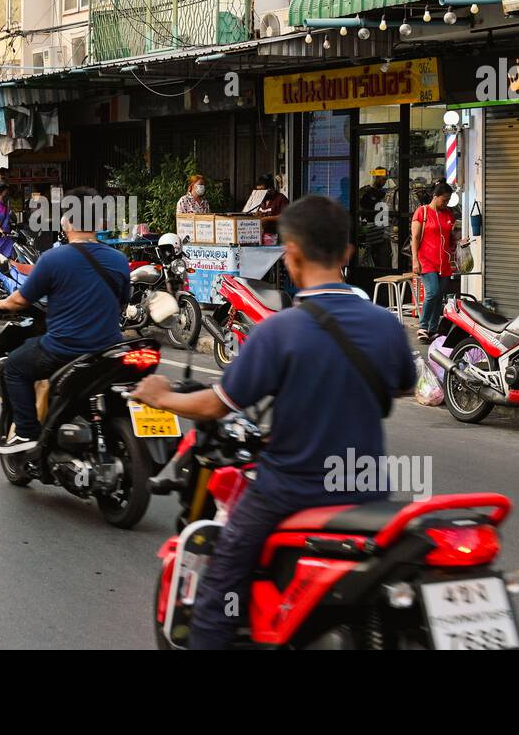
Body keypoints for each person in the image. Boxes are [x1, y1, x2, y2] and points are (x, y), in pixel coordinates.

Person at [131, 195, 417, 649]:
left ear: (292, 255)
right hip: (369, 491)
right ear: (347, 254)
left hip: (291, 490)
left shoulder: (279, 331)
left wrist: (163, 395)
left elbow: (215, 405)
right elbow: (402, 386)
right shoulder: (385, 325)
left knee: (220, 577)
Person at [0, 186, 131, 453]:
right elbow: (122, 301)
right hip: (109, 351)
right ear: (99, 223)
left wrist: (0, 305)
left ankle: (26, 433)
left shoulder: (53, 259)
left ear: (66, 221)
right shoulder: (119, 260)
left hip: (64, 350)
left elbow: (21, 299)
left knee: (13, 368)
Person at [411, 181, 456, 343]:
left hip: (443, 261)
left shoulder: (448, 214)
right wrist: (415, 260)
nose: (446, 203)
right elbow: (415, 238)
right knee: (433, 292)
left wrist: (458, 241)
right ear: (435, 196)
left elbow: (451, 238)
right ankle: (423, 326)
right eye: (444, 200)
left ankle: (433, 329)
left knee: (440, 296)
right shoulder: (421, 212)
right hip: (426, 260)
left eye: (448, 200)